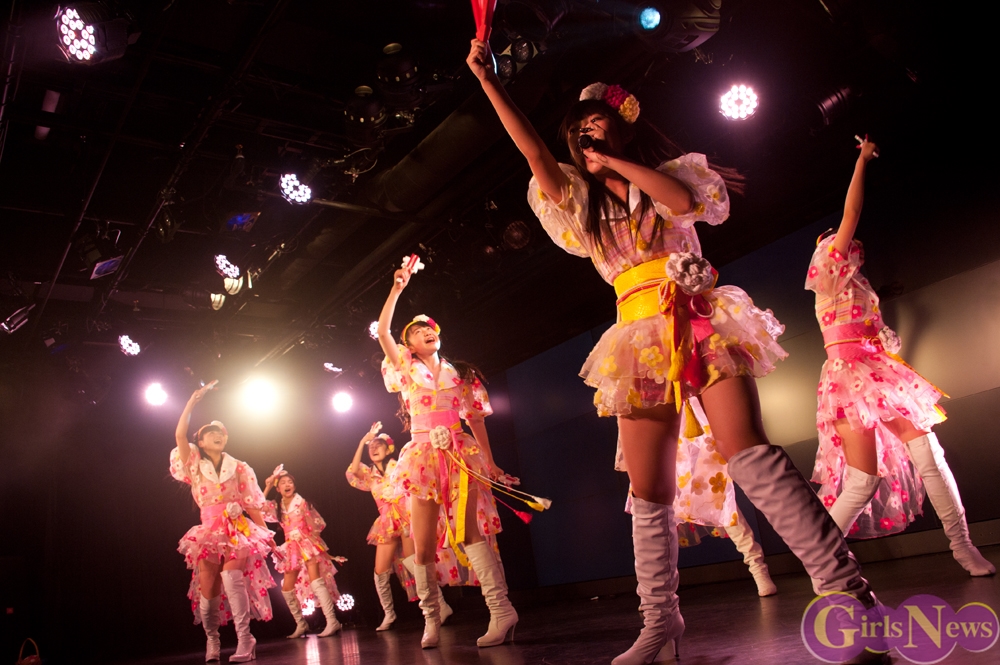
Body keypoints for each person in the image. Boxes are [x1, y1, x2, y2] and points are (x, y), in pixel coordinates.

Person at [468, 39, 877, 665]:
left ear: (624, 126)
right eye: (576, 129)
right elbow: (531, 150)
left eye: (595, 121)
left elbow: (684, 205)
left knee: (751, 452)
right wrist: (489, 81)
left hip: (698, 318)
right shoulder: (576, 200)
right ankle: (661, 621)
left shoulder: (671, 176)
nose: (584, 132)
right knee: (648, 488)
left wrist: (613, 162)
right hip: (637, 333)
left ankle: (847, 595)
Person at [807, 137, 994, 577]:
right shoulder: (828, 276)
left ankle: (963, 546)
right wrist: (861, 160)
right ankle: (822, 563)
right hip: (848, 378)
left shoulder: (857, 288)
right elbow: (852, 212)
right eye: (840, 243)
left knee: (930, 455)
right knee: (862, 480)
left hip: (878, 375)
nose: (848, 246)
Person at [377, 278, 515, 650]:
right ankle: (431, 618)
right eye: (418, 331)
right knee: (422, 547)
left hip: (459, 454)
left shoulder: (460, 374)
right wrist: (397, 289)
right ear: (409, 345)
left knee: (469, 533)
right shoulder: (405, 368)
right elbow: (384, 332)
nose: (427, 332)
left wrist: (491, 463)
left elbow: (476, 420)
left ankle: (501, 610)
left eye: (431, 329)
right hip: (422, 457)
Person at [170, 383, 275, 663]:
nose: (217, 435)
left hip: (237, 530)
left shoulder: (240, 467)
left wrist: (267, 535)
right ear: (201, 443)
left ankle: (245, 640)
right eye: (209, 433)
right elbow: (179, 435)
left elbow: (251, 503)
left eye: (220, 433)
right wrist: (193, 401)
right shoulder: (194, 464)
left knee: (233, 579)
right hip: (209, 532)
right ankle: (213, 640)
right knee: (209, 591)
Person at [263, 467, 343, 638]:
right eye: (283, 483)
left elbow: (317, 524)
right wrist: (268, 486)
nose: (287, 485)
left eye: (290, 482)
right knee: (287, 588)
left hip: (306, 544)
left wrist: (311, 542)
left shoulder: (302, 502)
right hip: (291, 549)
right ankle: (301, 624)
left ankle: (332, 621)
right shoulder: (277, 506)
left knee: (316, 581)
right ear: (278, 488)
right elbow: (259, 509)